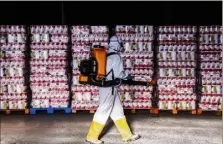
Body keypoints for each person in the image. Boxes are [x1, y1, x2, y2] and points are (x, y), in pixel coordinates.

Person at [86, 35, 140, 144]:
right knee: (103, 110)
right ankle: (91, 137)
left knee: (117, 112)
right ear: (118, 45)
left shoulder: (107, 55)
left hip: (109, 87)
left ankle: (127, 135)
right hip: (108, 88)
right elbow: (119, 73)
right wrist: (128, 76)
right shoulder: (116, 57)